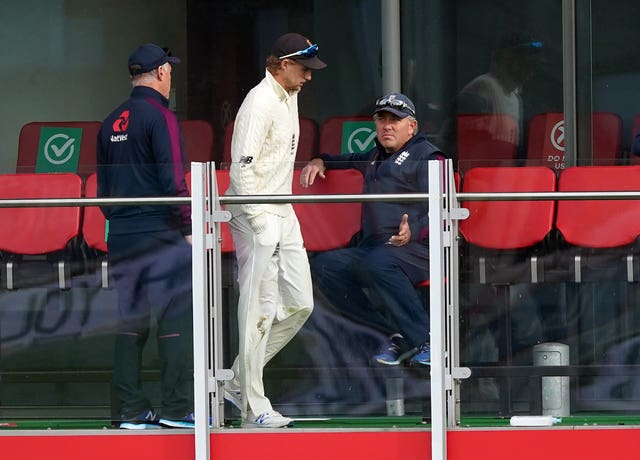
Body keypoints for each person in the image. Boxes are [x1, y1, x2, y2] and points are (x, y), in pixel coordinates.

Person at [223, 32, 326, 428]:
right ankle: (254, 404)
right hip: (255, 213)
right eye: (304, 69)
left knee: (301, 303)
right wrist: (258, 217)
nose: (309, 78)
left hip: (283, 207)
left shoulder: (289, 94)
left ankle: (235, 382)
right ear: (283, 65)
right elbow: (241, 169)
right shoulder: (259, 102)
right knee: (259, 308)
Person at [300, 92, 444, 367]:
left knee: (379, 261)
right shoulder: (373, 156)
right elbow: (342, 159)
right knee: (326, 265)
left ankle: (429, 340)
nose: (387, 126)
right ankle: (389, 336)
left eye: (395, 120)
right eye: (382, 120)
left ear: (411, 126)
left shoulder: (429, 156)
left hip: (420, 250)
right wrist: (321, 160)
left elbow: (444, 208)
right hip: (376, 250)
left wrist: (413, 229)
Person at [97, 43, 194, 429]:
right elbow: (173, 180)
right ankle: (175, 408)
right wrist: (187, 226)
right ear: (161, 73)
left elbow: (102, 190)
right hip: (160, 232)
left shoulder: (110, 120)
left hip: (121, 233)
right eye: (169, 70)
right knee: (175, 318)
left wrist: (122, 220)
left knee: (130, 322)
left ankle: (130, 410)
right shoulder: (161, 118)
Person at [440, 33, 543, 163]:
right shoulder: (484, 87)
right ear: (508, 60)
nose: (531, 70)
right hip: (480, 172)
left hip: (504, 173)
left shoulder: (516, 98)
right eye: (526, 62)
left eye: (533, 64)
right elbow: (458, 144)